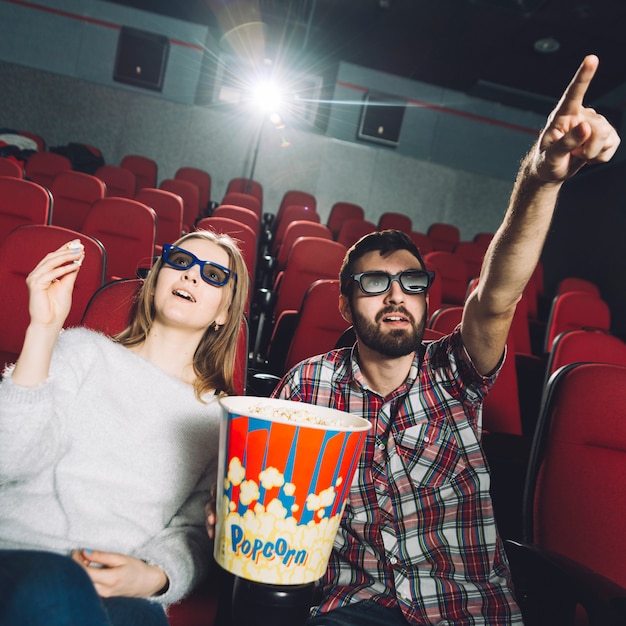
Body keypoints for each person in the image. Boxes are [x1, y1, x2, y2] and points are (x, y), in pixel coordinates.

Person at [266, 54, 620, 626]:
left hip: (466, 611)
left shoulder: (452, 373)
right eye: (374, 283)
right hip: (356, 610)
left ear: (427, 298)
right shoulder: (308, 385)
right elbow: (264, 499)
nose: (395, 296)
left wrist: (540, 177)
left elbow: (498, 294)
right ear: (344, 302)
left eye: (411, 282)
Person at [0, 229, 249, 625]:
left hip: (116, 588)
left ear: (224, 312)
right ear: (154, 284)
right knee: (60, 587)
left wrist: (155, 576)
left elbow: (194, 532)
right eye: (180, 262)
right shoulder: (80, 351)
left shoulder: (219, 419)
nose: (191, 275)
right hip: (21, 553)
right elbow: (8, 462)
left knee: (143, 618)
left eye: (214, 275)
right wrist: (43, 331)